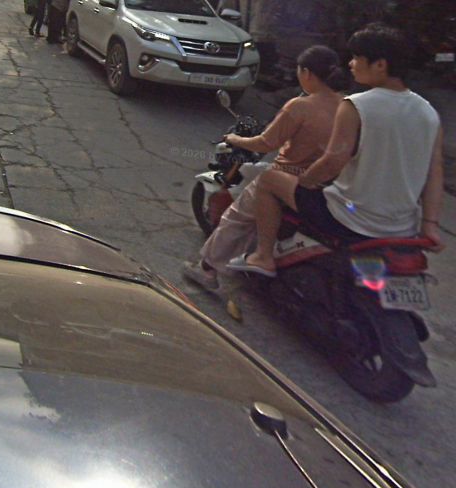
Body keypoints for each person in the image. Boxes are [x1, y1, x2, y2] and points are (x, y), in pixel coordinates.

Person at [227, 23, 445, 278]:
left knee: (268, 180)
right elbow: (435, 173)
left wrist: (303, 182)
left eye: (357, 58)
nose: (351, 64)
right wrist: (429, 225)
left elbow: (333, 161)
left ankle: (263, 256)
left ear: (380, 65)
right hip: (402, 229)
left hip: (348, 219)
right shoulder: (429, 113)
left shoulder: (356, 105)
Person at [183, 45, 344, 290]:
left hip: (286, 178)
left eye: (299, 71)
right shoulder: (347, 107)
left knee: (236, 218)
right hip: (326, 185)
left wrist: (235, 139)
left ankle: (207, 269)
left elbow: (266, 143)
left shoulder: (300, 106)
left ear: (307, 73)